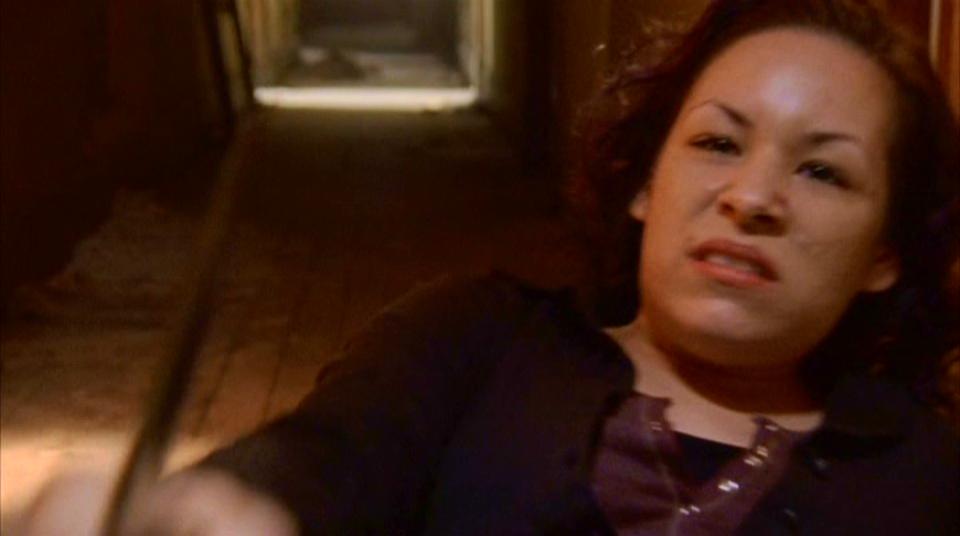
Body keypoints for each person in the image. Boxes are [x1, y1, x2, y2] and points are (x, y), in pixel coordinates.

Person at [20, 0, 959, 534]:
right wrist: (208, 509)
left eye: (822, 170)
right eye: (717, 142)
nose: (753, 197)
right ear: (646, 184)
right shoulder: (474, 343)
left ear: (884, 253)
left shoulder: (925, 475)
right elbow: (326, 458)